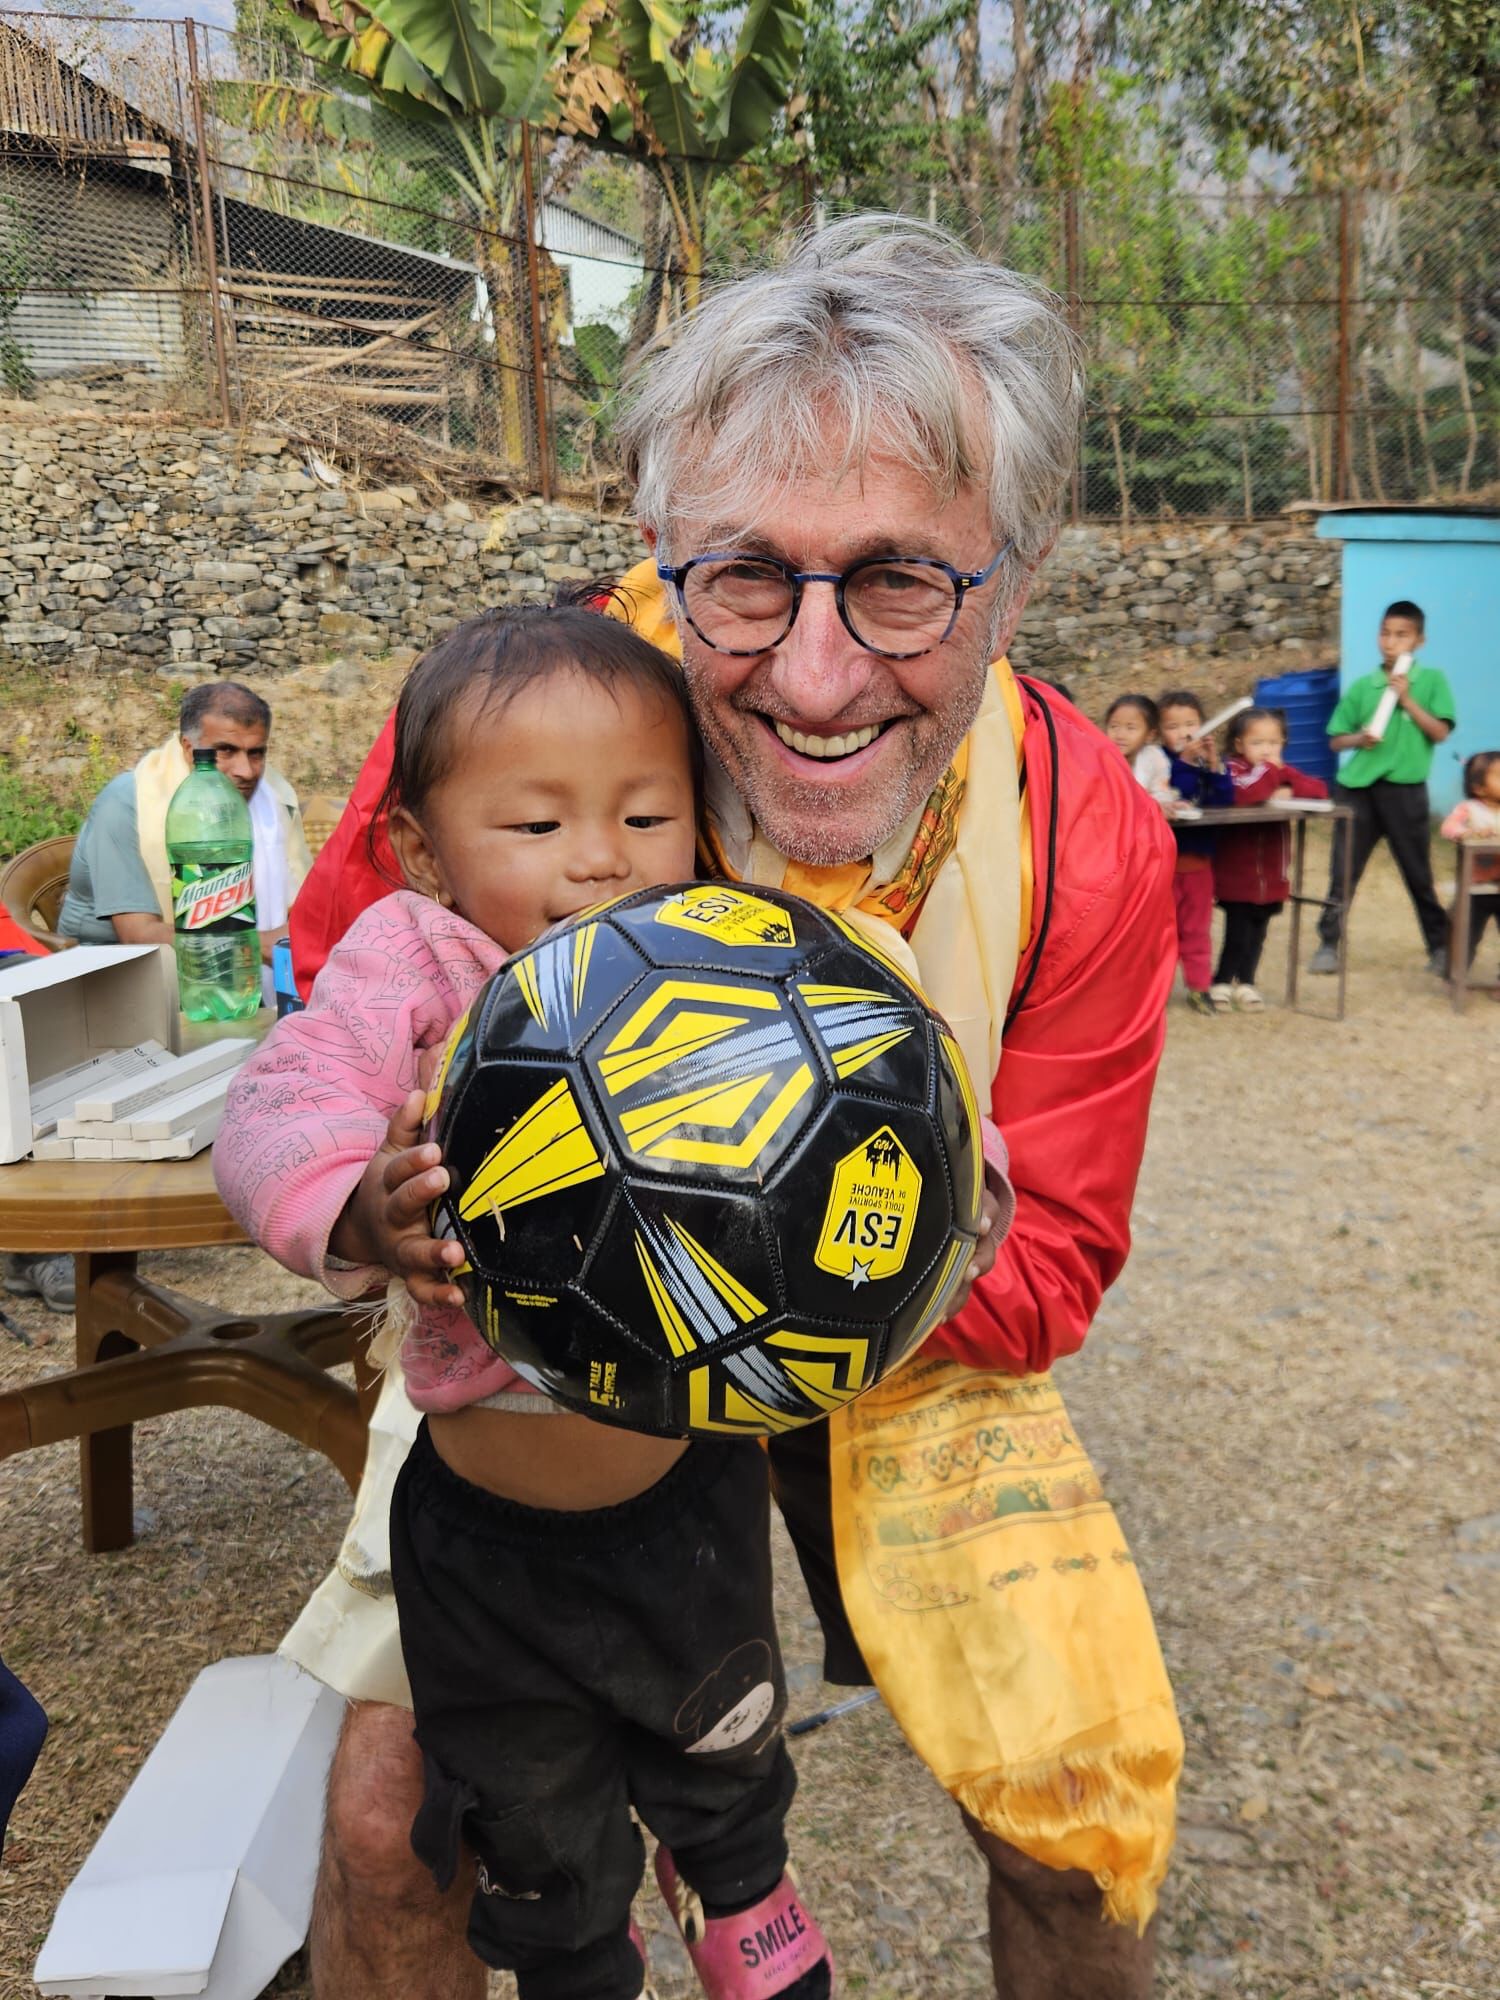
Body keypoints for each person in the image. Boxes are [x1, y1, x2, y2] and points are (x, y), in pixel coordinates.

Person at [281, 216, 1183, 2000]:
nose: (820, 677)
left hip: (897, 1317)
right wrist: (377, 1199)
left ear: (1019, 578)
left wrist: (838, 1270)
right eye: (748, 580)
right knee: (393, 1825)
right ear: (658, 551)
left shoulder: (1092, 831)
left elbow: (1054, 1259)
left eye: (906, 583)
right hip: (535, 1323)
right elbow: (343, 983)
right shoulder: (531, 718)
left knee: (1075, 1829)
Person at [217, 606, 848, 2000]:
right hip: (480, 1526)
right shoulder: (415, 966)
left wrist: (950, 1180)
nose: (601, 858)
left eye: (645, 812)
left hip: (688, 1491)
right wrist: (352, 1200)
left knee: (724, 1731)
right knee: (525, 1785)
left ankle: (743, 1892)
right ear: (423, 851)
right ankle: (576, 1941)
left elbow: (876, 1074)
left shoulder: (722, 956)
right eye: (535, 825)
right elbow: (278, 1100)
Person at [56, 682, 312, 965]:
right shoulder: (128, 802)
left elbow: (305, 908)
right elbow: (139, 936)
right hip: (115, 976)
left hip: (236, 971)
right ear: (189, 750)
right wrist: (260, 945)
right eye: (226, 751)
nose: (246, 771)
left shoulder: (275, 798)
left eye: (256, 753)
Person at [1308, 600, 1456, 976]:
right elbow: (1335, 740)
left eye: (1402, 635)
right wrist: (1360, 738)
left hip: (1405, 792)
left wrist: (1406, 699)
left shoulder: (1432, 681)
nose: (1391, 642)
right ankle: (1328, 943)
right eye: (1386, 634)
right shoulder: (1364, 686)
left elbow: (1440, 731)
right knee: (1343, 869)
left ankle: (1440, 946)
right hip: (1358, 790)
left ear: (1419, 641)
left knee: (1417, 871)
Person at [1210, 707, 1329, 1010]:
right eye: (1257, 743)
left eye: (1274, 743)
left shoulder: (1280, 770)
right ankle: (1222, 981)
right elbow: (1246, 794)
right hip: (1238, 872)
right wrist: (1271, 774)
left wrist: (1287, 786)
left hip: (1272, 872)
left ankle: (1247, 982)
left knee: (1259, 930)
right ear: (1238, 745)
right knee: (1237, 929)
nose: (1267, 750)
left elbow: (1318, 790)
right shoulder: (1232, 770)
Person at [1155, 691, 1234, 1016]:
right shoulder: (1160, 762)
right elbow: (1179, 792)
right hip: (1165, 867)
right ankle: (1155, 994)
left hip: (1199, 866)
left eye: (1191, 724)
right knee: (1161, 935)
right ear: (1160, 732)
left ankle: (1199, 988)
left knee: (1197, 930)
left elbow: (1224, 801)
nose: (1184, 732)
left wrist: (1215, 766)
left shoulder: (1206, 762)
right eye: (1173, 726)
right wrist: (1186, 762)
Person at [1440, 749, 1500, 984]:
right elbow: (1448, 829)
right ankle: (1455, 974)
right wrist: (1470, 832)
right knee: (1464, 934)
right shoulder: (1469, 809)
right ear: (1479, 787)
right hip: (1475, 887)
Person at [1105, 694, 1173, 803]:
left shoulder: (1154, 757)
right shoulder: (1101, 760)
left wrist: (1165, 805)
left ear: (1150, 735)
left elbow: (1160, 792)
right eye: (1114, 726)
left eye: (1131, 728)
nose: (1120, 735)